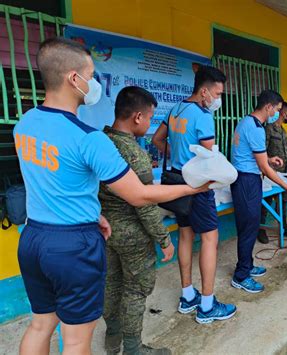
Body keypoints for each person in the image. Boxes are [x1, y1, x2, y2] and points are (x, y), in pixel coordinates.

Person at [14, 38, 206, 355]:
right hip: (72, 246)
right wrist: (193, 188)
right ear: (73, 79)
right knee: (76, 341)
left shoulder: (24, 124)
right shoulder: (89, 139)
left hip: (33, 236)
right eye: (90, 76)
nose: (93, 84)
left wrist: (95, 214)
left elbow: (54, 181)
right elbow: (140, 195)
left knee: (40, 325)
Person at [152, 65, 236, 324]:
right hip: (198, 188)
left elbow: (157, 139)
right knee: (210, 239)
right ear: (204, 91)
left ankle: (188, 296)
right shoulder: (202, 116)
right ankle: (208, 306)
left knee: (186, 236)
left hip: (176, 183)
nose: (219, 99)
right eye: (218, 93)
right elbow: (209, 158)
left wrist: (179, 158)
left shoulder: (175, 109)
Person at [98, 86, 176, 355]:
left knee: (111, 283)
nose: (151, 125)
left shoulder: (100, 142)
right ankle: (133, 349)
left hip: (105, 231)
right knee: (134, 291)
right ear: (138, 117)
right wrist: (164, 239)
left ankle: (113, 339)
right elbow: (145, 204)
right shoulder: (134, 154)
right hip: (132, 235)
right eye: (151, 118)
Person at [230, 90, 287, 293]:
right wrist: (286, 185)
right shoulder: (257, 129)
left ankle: (248, 265)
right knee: (248, 229)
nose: (278, 114)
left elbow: (250, 154)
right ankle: (241, 275)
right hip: (247, 181)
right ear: (268, 107)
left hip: (244, 178)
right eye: (277, 110)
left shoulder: (246, 122)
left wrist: (269, 159)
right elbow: (265, 170)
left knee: (248, 226)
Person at [258, 101, 287, 244]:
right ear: (282, 112)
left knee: (283, 201)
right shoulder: (268, 129)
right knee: (266, 202)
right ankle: (261, 229)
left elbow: (286, 152)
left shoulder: (282, 131)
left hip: (284, 173)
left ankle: (284, 226)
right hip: (270, 173)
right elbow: (262, 151)